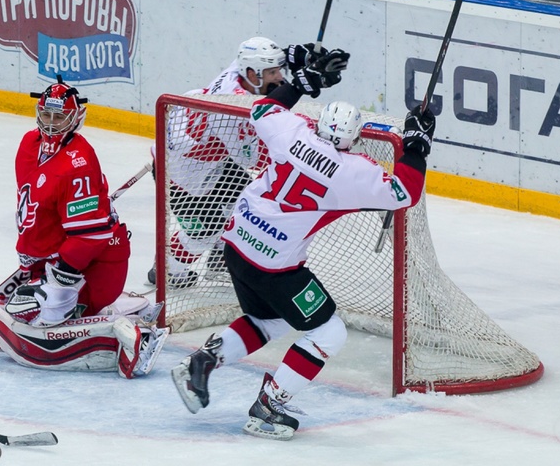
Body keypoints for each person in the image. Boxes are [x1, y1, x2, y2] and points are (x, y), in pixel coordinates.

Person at [170, 46, 436, 439]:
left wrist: (303, 83)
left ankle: (202, 362)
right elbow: (404, 192)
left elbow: (264, 109)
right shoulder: (352, 172)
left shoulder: (292, 132)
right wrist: (416, 144)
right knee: (330, 332)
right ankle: (269, 405)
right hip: (274, 268)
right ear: (353, 139)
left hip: (236, 247)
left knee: (271, 320)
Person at [0, 75, 168, 379]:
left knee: (38, 312)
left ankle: (127, 332)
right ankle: (117, 307)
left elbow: (92, 235)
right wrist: (36, 258)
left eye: (59, 116)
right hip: (57, 258)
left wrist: (60, 277)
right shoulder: (29, 144)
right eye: (46, 114)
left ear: (76, 118)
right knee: (22, 305)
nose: (51, 123)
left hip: (94, 265)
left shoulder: (79, 163)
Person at [149, 36, 323, 289]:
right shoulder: (233, 112)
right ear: (253, 75)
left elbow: (259, 66)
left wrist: (297, 57)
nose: (279, 77)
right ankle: (167, 269)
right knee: (203, 234)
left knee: (245, 206)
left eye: (278, 70)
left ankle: (219, 260)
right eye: (273, 72)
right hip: (183, 176)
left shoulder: (239, 71)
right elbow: (253, 159)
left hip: (207, 160)